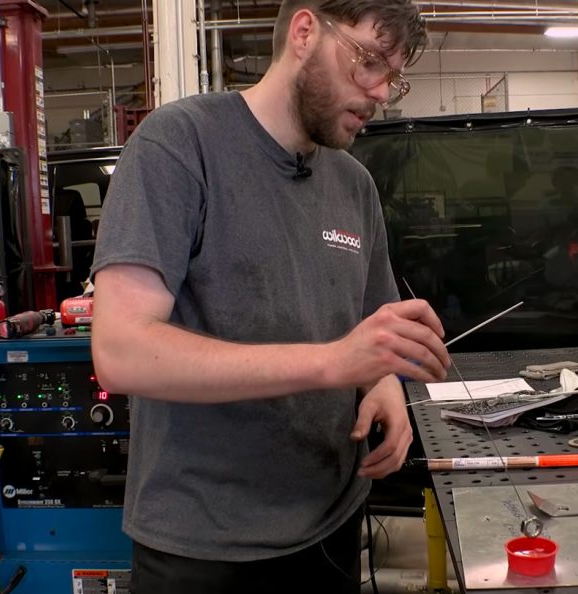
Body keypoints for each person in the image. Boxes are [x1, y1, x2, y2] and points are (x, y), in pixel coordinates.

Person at [88, 1, 446, 592]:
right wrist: (335, 362)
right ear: (305, 32)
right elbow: (121, 352)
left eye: (394, 76)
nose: (382, 92)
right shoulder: (179, 143)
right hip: (206, 548)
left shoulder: (353, 183)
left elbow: (369, 329)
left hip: (331, 525)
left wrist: (384, 387)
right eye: (369, 62)